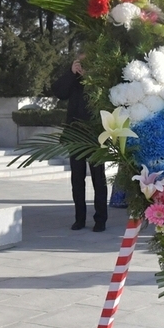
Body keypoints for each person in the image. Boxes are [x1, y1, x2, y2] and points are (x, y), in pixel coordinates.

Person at [51, 54, 107, 232]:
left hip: (95, 136)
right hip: (75, 136)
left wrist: (89, 77)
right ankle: (79, 219)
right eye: (79, 63)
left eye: (86, 64)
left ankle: (100, 220)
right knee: (77, 179)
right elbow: (59, 92)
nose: (82, 67)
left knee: (99, 179)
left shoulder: (98, 80)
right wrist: (71, 72)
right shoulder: (72, 80)